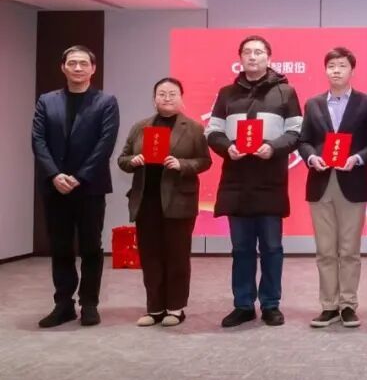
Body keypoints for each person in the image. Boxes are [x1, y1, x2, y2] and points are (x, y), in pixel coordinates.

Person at [206, 35, 302, 328]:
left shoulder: (285, 92)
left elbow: (296, 132)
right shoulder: (226, 94)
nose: (252, 57)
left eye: (258, 52)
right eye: (247, 52)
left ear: (269, 58)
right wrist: (227, 147)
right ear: (240, 59)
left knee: (272, 247)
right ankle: (243, 304)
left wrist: (273, 147)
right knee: (241, 248)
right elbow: (212, 131)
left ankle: (271, 304)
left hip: (270, 180)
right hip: (236, 182)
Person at [32, 45, 120, 328]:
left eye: (83, 63)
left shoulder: (106, 102)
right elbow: (38, 141)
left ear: (93, 69)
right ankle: (63, 304)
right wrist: (54, 175)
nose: (78, 68)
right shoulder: (47, 101)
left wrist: (80, 177)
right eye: (72, 63)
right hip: (55, 186)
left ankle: (89, 303)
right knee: (60, 247)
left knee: (91, 246)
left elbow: (105, 144)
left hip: (90, 186)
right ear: (63, 68)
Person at [117, 77, 212, 327]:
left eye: (172, 94)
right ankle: (155, 308)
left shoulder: (193, 128)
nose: (167, 98)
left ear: (181, 98)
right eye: (162, 94)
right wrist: (133, 161)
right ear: (154, 99)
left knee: (177, 256)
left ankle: (175, 308)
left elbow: (205, 161)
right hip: (146, 202)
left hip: (179, 202)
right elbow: (122, 159)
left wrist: (182, 164)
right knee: (150, 256)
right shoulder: (140, 127)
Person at [297, 47, 367, 329]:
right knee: (324, 250)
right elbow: (304, 141)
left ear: (351, 70)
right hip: (320, 183)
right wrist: (312, 157)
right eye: (331, 65)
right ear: (325, 70)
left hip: (352, 182)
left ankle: (348, 305)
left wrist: (357, 158)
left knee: (349, 250)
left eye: (342, 65)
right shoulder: (313, 104)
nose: (336, 70)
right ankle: (329, 306)